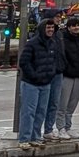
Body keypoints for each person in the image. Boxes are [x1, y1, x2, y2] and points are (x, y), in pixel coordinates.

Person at [16, 12, 63, 148]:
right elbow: (24, 62)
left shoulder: (52, 43)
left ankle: (35, 137)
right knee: (28, 111)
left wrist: (50, 74)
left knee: (41, 111)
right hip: (31, 83)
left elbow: (54, 61)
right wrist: (34, 75)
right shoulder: (32, 44)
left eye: (52, 28)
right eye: (48, 28)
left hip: (46, 83)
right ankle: (24, 139)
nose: (50, 30)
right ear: (42, 29)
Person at [54, 18, 79, 139]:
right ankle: (61, 128)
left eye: (78, 25)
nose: (76, 28)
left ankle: (68, 127)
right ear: (68, 27)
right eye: (73, 26)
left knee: (72, 104)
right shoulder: (62, 40)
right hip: (67, 75)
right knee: (62, 104)